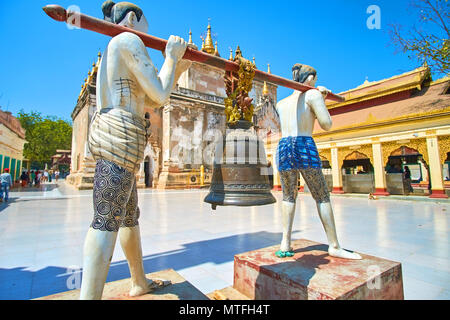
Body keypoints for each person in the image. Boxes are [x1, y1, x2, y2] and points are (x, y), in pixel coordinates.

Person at [79, 1, 191, 300]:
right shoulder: (128, 40)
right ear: (132, 19)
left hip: (124, 137)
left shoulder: (113, 49)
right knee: (105, 220)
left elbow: (151, 101)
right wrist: (170, 56)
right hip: (119, 137)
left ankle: (139, 281)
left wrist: (176, 68)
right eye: (146, 26)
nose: (147, 32)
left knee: (128, 216)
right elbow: (160, 94)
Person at [274, 63, 361, 260]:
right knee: (321, 195)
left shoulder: (281, 103)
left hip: (284, 147)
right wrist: (321, 97)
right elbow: (327, 124)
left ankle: (285, 243)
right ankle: (334, 245)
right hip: (304, 145)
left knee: (288, 196)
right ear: (311, 79)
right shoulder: (312, 95)